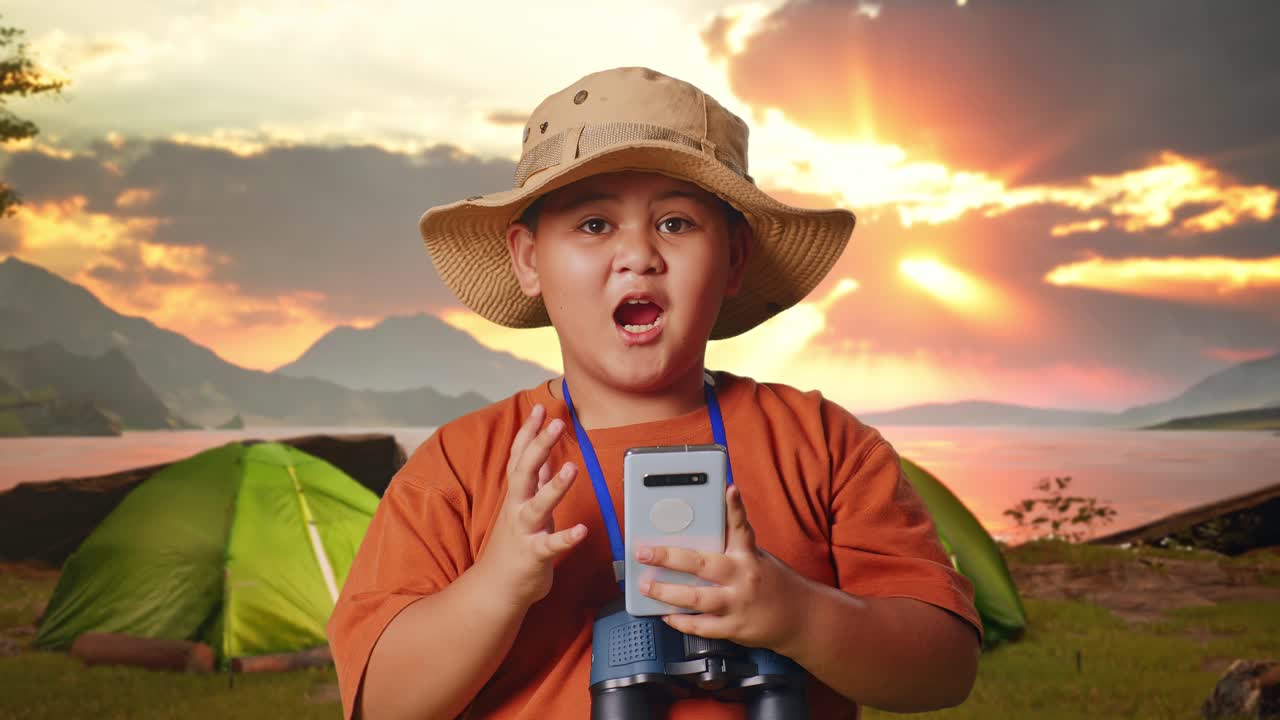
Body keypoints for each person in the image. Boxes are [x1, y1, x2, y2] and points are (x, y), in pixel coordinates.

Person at [326, 66, 982, 720]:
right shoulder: (459, 468)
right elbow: (380, 704)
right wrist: (497, 586)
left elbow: (944, 669)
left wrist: (797, 614)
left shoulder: (824, 444)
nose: (639, 254)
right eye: (592, 225)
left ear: (734, 258)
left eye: (675, 223)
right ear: (528, 259)